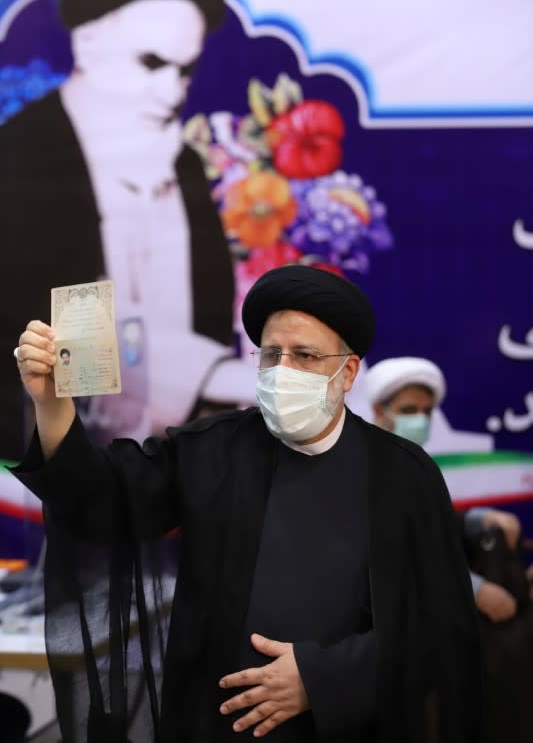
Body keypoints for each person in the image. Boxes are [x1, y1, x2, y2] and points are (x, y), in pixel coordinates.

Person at [10, 266, 484, 742]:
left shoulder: (403, 474)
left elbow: (438, 625)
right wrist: (53, 405)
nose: (284, 371)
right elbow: (102, 502)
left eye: (305, 355)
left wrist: (321, 679)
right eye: (272, 354)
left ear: (348, 371)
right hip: (215, 725)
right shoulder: (211, 449)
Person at [0, 0, 256, 459]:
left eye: (184, 72)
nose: (171, 94)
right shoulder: (20, 158)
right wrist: (215, 375)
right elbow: (42, 328)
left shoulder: (180, 161)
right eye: (152, 63)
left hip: (175, 463)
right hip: (49, 463)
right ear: (88, 39)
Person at [366, 355, 533, 743]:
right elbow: (385, 551)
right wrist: (473, 589)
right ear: (378, 410)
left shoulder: (414, 464)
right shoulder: (364, 466)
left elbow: (432, 526)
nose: (420, 420)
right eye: (409, 410)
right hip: (391, 648)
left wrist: (479, 520)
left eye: (427, 411)